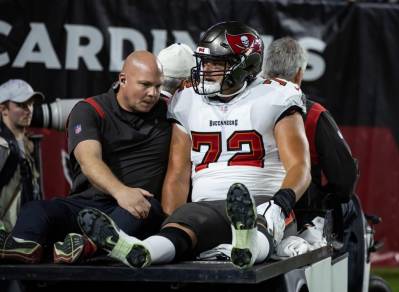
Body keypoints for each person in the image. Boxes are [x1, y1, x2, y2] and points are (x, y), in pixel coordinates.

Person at [77, 21, 311, 269]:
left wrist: (280, 204)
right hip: (206, 204)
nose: (206, 69)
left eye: (216, 63)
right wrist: (170, 219)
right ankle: (141, 250)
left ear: (246, 65)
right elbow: (178, 173)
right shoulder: (187, 99)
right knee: (181, 227)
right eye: (204, 61)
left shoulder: (276, 96)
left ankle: (248, 244)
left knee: (263, 221)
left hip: (263, 199)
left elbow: (299, 165)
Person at [0, 51, 171, 264]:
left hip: (137, 208)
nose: (153, 93)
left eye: (158, 86)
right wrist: (121, 191)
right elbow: (89, 161)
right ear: (123, 79)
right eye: (145, 85)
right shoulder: (90, 110)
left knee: (147, 208)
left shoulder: (169, 110)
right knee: (36, 209)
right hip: (87, 204)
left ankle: (85, 246)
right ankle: (23, 247)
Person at [263, 37, 362, 292]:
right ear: (299, 74)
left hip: (243, 200)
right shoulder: (312, 113)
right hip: (297, 209)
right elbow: (344, 180)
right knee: (351, 205)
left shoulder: (240, 105)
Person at [0, 80, 43, 232]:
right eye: (21, 105)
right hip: (6, 242)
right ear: (3, 109)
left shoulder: (27, 146)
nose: (29, 110)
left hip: (23, 239)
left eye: (30, 104)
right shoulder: (2, 146)